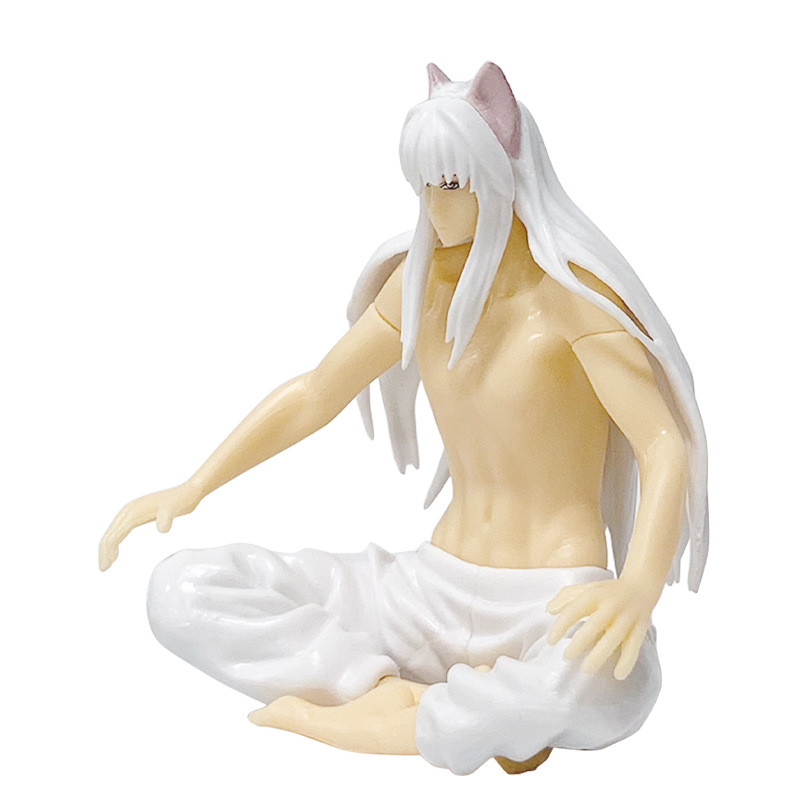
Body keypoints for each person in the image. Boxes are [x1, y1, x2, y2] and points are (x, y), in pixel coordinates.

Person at [99, 62, 708, 775]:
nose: (434, 208)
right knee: (181, 589)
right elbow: (315, 392)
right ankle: (405, 702)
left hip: (547, 604)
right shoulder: (420, 285)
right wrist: (194, 486)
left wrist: (637, 586)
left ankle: (356, 719)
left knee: (616, 687)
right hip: (423, 593)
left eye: (451, 184)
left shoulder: (576, 297)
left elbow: (663, 442)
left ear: (503, 172)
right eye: (421, 186)